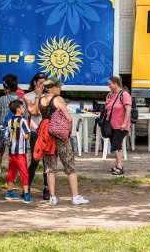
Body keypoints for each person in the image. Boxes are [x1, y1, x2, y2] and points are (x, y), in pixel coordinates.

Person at [39, 77, 89, 206]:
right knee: (69, 166)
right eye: (59, 87)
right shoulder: (58, 99)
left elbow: (35, 112)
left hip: (47, 137)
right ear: (54, 88)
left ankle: (53, 197)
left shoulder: (41, 99)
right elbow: (69, 118)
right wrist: (68, 132)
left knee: (50, 168)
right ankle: (75, 196)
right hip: (60, 136)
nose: (61, 89)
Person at [23, 72, 49, 199]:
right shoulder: (28, 96)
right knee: (34, 161)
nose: (42, 85)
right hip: (35, 132)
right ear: (35, 82)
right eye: (40, 82)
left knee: (47, 162)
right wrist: (38, 97)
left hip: (47, 132)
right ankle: (26, 188)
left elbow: (43, 112)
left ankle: (47, 188)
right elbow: (33, 111)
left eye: (44, 83)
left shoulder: (49, 96)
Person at [0, 74, 20, 181]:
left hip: (2, 130)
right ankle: (14, 176)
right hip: (16, 130)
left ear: (6, 88)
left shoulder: (1, 99)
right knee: (14, 153)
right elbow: (25, 115)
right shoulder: (19, 100)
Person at [4, 100, 32, 204]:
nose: (24, 109)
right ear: (18, 109)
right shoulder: (23, 121)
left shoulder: (9, 121)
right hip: (20, 151)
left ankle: (9, 191)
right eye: (22, 107)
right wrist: (27, 136)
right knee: (23, 172)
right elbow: (27, 133)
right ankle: (26, 194)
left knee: (11, 171)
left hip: (11, 151)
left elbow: (6, 137)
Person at [104, 76, 133, 175]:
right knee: (114, 145)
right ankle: (117, 165)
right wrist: (106, 103)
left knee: (116, 144)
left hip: (121, 124)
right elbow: (108, 109)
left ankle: (120, 167)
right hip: (111, 124)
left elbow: (128, 109)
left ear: (116, 84)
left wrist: (124, 123)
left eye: (110, 84)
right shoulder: (109, 95)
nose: (109, 86)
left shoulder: (124, 95)